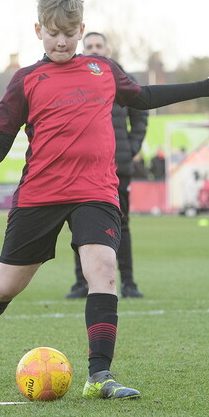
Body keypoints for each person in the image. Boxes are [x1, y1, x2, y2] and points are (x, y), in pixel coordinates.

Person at [0, 0, 209, 400]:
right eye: (54, 32)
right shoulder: (26, 81)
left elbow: (143, 97)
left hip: (96, 191)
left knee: (103, 270)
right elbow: (0, 140)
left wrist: (201, 86)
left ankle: (99, 376)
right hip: (41, 193)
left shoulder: (103, 70)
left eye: (70, 33)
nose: (61, 41)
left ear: (82, 30)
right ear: (38, 30)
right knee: (8, 286)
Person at [64, 31, 148, 300]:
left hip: (117, 166)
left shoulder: (120, 77)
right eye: (89, 46)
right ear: (82, 49)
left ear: (107, 49)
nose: (95, 50)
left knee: (122, 225)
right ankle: (82, 283)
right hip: (82, 167)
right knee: (81, 226)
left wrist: (130, 147)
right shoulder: (71, 79)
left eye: (99, 46)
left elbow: (141, 111)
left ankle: (129, 283)